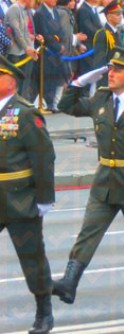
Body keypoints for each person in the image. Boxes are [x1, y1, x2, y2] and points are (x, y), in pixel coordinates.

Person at [53, 47, 124, 315]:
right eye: (110, 69)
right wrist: (81, 82)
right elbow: (65, 105)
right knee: (88, 232)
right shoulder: (100, 99)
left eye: (117, 70)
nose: (111, 74)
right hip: (105, 180)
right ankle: (70, 281)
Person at [0, 55, 56, 334]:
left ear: (11, 83)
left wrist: (45, 198)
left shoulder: (25, 113)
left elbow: (43, 158)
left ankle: (44, 311)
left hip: (19, 198)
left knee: (32, 256)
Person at [33, 0, 68, 112]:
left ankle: (54, 102)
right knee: (47, 78)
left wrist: (61, 43)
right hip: (47, 51)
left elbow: (60, 31)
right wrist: (57, 47)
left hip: (56, 51)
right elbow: (44, 33)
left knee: (56, 77)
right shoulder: (40, 13)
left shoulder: (55, 12)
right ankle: (48, 103)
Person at [93, 0, 124, 88]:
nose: (121, 17)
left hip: (117, 74)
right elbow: (99, 61)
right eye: (117, 14)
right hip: (107, 78)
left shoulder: (117, 32)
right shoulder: (102, 33)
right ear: (109, 16)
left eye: (121, 14)